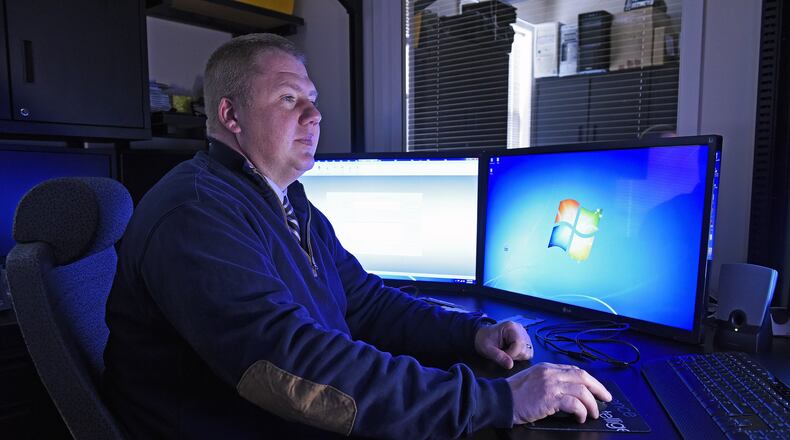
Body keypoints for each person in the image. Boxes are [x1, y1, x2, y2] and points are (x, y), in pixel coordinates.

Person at [103, 33, 611, 439]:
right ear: (230, 116)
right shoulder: (197, 214)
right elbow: (286, 367)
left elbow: (364, 303)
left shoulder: (283, 200)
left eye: (312, 100)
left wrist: (470, 334)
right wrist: (497, 401)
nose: (314, 114)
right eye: (288, 98)